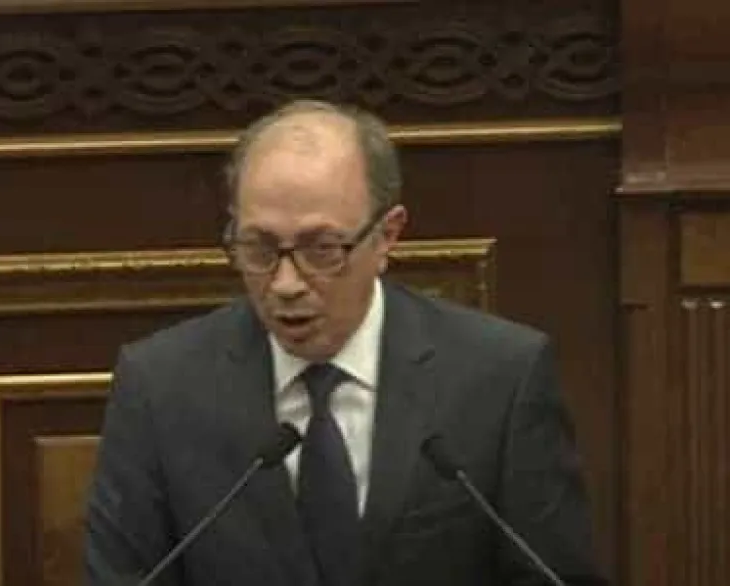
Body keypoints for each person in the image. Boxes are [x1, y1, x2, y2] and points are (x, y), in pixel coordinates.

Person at [84, 99, 608, 586]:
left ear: (387, 236)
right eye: (259, 248)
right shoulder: (161, 387)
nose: (285, 283)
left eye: (322, 249)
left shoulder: (499, 379)